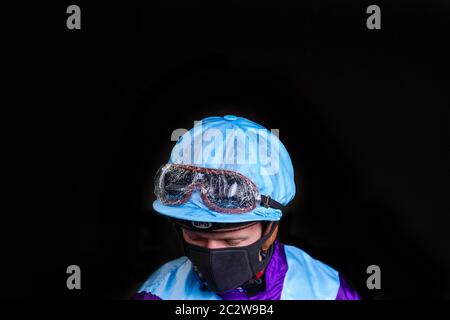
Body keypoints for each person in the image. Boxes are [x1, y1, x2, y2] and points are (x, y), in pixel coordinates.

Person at [134, 115, 360, 300]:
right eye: (196, 237)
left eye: (233, 241)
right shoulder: (158, 293)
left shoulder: (328, 292)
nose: (213, 252)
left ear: (271, 227)